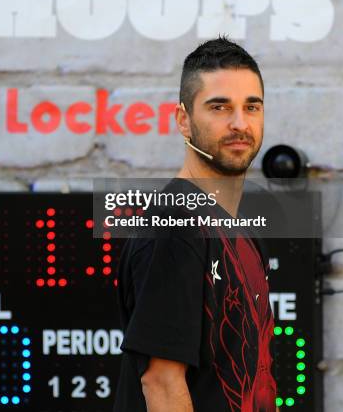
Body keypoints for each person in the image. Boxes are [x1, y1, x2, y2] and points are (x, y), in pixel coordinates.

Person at [113, 37, 277, 411]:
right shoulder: (174, 223)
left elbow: (258, 377)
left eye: (251, 107)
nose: (240, 123)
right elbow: (162, 382)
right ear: (183, 120)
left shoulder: (243, 228)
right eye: (219, 107)